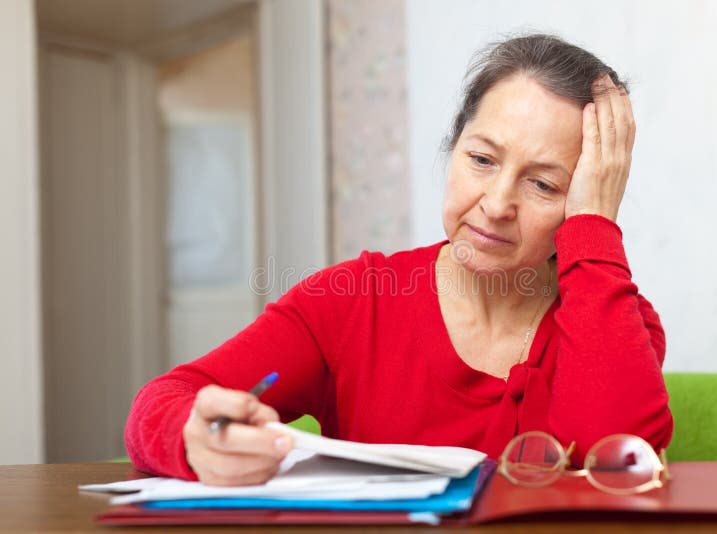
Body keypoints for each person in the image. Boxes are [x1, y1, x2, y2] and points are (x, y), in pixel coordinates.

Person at [125, 33, 673, 486]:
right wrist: (194, 437)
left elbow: (617, 466)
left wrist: (594, 229)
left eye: (544, 185)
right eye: (481, 159)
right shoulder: (351, 301)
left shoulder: (618, 319)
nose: (497, 203)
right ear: (452, 149)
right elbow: (162, 402)